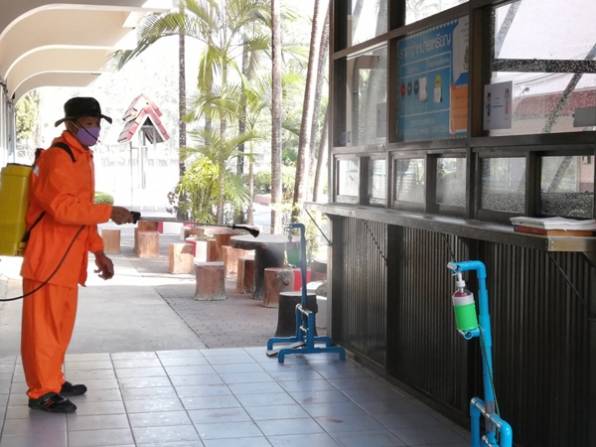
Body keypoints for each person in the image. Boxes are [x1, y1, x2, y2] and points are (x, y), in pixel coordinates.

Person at [20, 97, 133, 413]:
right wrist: (109, 211)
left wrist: (98, 251)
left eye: (97, 124)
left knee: (60, 329)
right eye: (88, 124)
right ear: (70, 124)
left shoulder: (82, 156)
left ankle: (54, 381)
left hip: (67, 262)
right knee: (43, 331)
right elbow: (62, 208)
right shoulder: (58, 157)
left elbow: (83, 212)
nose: (94, 129)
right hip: (47, 260)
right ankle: (41, 392)